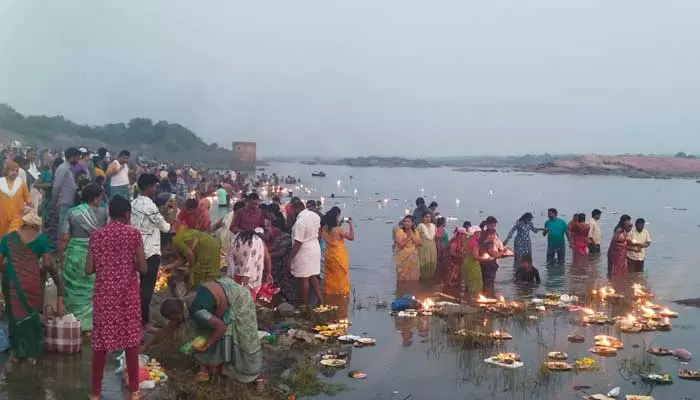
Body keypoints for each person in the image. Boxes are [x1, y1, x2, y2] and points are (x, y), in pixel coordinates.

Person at [142, 278, 262, 385]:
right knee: (202, 333)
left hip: (239, 300)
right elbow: (167, 330)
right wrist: (145, 346)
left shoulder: (197, 311)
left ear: (176, 314)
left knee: (244, 339)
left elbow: (221, 327)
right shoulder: (183, 303)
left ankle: (253, 374)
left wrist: (208, 343)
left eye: (173, 319)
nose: (175, 322)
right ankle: (204, 371)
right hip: (223, 295)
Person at [86, 196, 146, 400]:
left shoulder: (97, 236)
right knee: (130, 342)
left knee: (100, 345)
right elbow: (143, 267)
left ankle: (95, 393)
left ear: (110, 213)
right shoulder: (133, 234)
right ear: (128, 214)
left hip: (104, 297)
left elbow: (88, 269)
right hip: (127, 297)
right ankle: (135, 391)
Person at [0, 212, 64, 364]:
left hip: (10, 280)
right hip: (31, 281)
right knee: (31, 316)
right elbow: (48, 264)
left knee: (14, 317)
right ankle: (31, 354)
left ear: (23, 223)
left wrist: (12, 270)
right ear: (36, 226)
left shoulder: (7, 239)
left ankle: (16, 353)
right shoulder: (41, 239)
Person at [59, 184, 109, 333]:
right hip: (95, 253)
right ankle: (90, 324)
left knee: (73, 287)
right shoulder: (103, 212)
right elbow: (105, 234)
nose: (101, 200)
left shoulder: (72, 213)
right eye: (100, 197)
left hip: (75, 254)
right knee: (91, 289)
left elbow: (65, 237)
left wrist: (61, 255)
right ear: (94, 198)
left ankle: (73, 319)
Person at [131, 173, 172, 333]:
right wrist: (172, 223)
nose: (155, 189)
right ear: (148, 187)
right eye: (154, 187)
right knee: (147, 290)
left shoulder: (133, 203)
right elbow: (164, 227)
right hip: (150, 252)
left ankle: (135, 320)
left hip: (135, 251)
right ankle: (144, 323)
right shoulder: (149, 206)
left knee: (136, 288)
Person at [290, 200, 323, 305]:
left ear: (296, 209)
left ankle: (305, 304)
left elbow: (298, 242)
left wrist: (291, 257)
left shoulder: (300, 222)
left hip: (304, 250)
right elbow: (320, 231)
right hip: (315, 247)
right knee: (313, 275)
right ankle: (320, 299)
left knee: (304, 277)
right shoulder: (315, 215)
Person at [172, 225, 222, 291]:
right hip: (214, 244)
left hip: (205, 246)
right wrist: (167, 267)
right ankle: (212, 293)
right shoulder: (180, 236)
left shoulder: (176, 240)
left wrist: (190, 268)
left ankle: (199, 295)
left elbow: (190, 255)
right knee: (211, 274)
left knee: (198, 275)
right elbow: (182, 260)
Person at [228, 228, 271, 300]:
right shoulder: (258, 240)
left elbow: (231, 254)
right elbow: (267, 259)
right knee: (249, 288)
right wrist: (268, 273)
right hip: (250, 273)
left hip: (237, 269)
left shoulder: (238, 237)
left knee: (237, 288)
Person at [320, 207, 354, 297]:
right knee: (340, 275)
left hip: (329, 254)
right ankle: (340, 292)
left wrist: (341, 222)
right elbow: (351, 237)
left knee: (330, 275)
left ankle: (330, 291)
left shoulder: (324, 229)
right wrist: (350, 224)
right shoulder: (339, 230)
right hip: (339, 255)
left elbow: (331, 229)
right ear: (335, 218)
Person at [52, 148, 80, 244]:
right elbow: (56, 186)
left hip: (68, 201)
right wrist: (54, 201)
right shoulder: (62, 168)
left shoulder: (68, 169)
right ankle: (60, 248)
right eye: (77, 157)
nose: (78, 160)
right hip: (64, 201)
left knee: (66, 226)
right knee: (62, 226)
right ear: (72, 157)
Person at [268, 216, 299, 304]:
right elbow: (274, 247)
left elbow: (281, 252)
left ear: (278, 228)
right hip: (277, 264)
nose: (271, 229)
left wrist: (268, 255)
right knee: (278, 282)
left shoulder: (286, 237)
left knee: (285, 283)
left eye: (272, 227)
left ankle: (292, 300)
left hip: (284, 264)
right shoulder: (278, 237)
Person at [473, 218, 507, 297]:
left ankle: (488, 296)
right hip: (488, 261)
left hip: (486, 261)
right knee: (488, 282)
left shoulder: (484, 234)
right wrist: (503, 252)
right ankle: (489, 297)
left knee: (488, 282)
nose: (493, 227)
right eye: (492, 225)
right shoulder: (485, 236)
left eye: (494, 225)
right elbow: (492, 252)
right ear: (487, 225)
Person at [34, 158, 64, 247]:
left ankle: (53, 246)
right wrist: (48, 185)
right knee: (47, 224)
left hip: (60, 202)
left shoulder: (63, 175)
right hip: (48, 203)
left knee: (57, 225)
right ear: (55, 167)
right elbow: (36, 184)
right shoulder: (46, 174)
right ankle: (45, 246)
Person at [0, 160, 32, 238]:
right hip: (2, 217)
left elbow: (27, 198)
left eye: (17, 171)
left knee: (14, 237)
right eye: (12, 170)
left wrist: (30, 208)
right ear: (7, 171)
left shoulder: (21, 183)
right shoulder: (1, 182)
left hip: (17, 216)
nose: (15, 173)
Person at [394, 215, 421, 281]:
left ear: (412, 223)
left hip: (413, 258)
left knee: (414, 278)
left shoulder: (415, 232)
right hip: (403, 258)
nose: (406, 223)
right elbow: (400, 246)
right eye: (405, 221)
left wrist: (412, 236)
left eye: (409, 222)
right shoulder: (400, 232)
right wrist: (408, 238)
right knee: (403, 279)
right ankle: (402, 291)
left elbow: (419, 243)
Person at [462, 223, 483, 295]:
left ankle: (468, 299)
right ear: (476, 233)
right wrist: (486, 258)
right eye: (479, 233)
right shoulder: (475, 243)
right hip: (473, 264)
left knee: (469, 282)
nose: (480, 234)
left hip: (466, 262)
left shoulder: (466, 240)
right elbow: (475, 256)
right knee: (476, 282)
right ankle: (474, 299)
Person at [417, 211, 438, 281]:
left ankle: (429, 280)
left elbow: (435, 238)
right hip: (423, 249)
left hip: (432, 249)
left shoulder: (433, 226)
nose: (428, 219)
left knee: (432, 264)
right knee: (423, 264)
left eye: (429, 217)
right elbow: (416, 238)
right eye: (426, 217)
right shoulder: (420, 226)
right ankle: (423, 280)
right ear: (423, 218)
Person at [435, 217, 449, 283]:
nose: (446, 223)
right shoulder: (438, 230)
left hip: (445, 249)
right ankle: (440, 281)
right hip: (441, 249)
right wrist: (439, 252)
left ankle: (443, 280)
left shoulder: (443, 229)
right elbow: (438, 241)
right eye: (445, 222)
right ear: (442, 223)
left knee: (444, 265)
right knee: (441, 265)